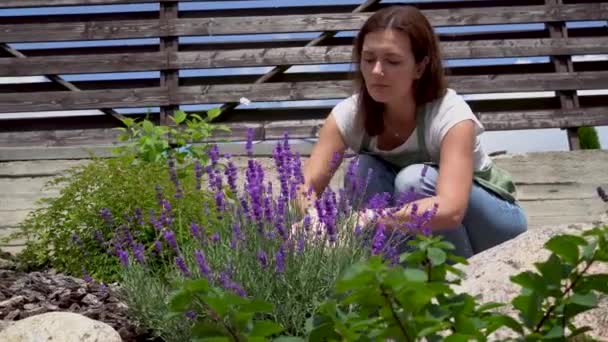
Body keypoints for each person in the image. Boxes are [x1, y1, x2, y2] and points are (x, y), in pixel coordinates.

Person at [294, 5, 528, 258]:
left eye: (392, 61)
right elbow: (304, 186)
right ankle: (390, 278)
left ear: (420, 67)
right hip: (420, 230)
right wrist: (312, 220)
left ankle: (453, 280)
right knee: (363, 169)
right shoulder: (349, 115)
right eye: (368, 59)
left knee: (415, 180)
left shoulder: (450, 114)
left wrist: (370, 218)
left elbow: (451, 209)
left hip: (492, 224)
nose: (376, 71)